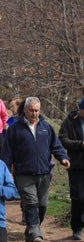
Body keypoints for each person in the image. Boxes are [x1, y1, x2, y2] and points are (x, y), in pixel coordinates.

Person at [2, 97, 70, 242]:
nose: (34, 113)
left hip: (44, 173)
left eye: (37, 111)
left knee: (42, 205)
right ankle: (36, 235)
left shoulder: (46, 126)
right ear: (25, 110)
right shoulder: (15, 128)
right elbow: (7, 152)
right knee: (31, 202)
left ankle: (32, 231)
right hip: (24, 173)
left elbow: (55, 145)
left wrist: (63, 158)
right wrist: (5, 169)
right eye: (31, 110)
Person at [58, 97, 84, 240]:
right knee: (78, 198)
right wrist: (80, 144)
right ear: (80, 109)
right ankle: (77, 228)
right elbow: (62, 139)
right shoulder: (70, 121)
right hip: (77, 165)